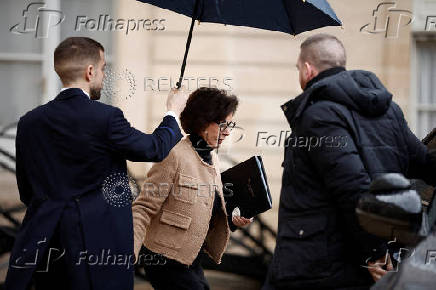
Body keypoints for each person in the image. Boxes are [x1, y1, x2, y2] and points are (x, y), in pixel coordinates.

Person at [5, 37, 187, 290]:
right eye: (103, 68)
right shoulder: (106, 117)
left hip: (44, 241)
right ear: (90, 72)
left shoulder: (29, 122)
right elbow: (153, 148)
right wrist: (173, 113)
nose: (103, 74)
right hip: (99, 244)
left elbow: (27, 190)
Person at [262, 34, 436, 290]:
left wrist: (374, 252)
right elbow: (425, 164)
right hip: (370, 262)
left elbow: (350, 186)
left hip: (320, 265)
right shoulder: (390, 112)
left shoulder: (319, 114)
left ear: (308, 70)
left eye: (299, 68)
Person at [132, 87, 253, 290]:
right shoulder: (173, 155)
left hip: (191, 260)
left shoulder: (212, 157)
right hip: (165, 261)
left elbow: (207, 205)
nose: (228, 132)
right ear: (203, 121)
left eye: (230, 124)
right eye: (223, 124)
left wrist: (234, 218)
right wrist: (128, 255)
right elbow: (143, 208)